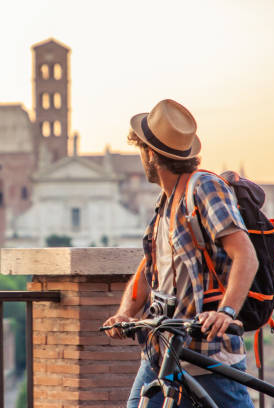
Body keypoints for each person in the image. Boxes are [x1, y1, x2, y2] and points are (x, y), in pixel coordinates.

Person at [103, 99, 258, 407]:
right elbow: (150, 268)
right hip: (163, 351)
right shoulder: (165, 203)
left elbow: (246, 255)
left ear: (150, 155)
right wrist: (126, 313)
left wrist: (225, 312)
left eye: (141, 152)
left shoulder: (204, 188)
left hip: (205, 351)